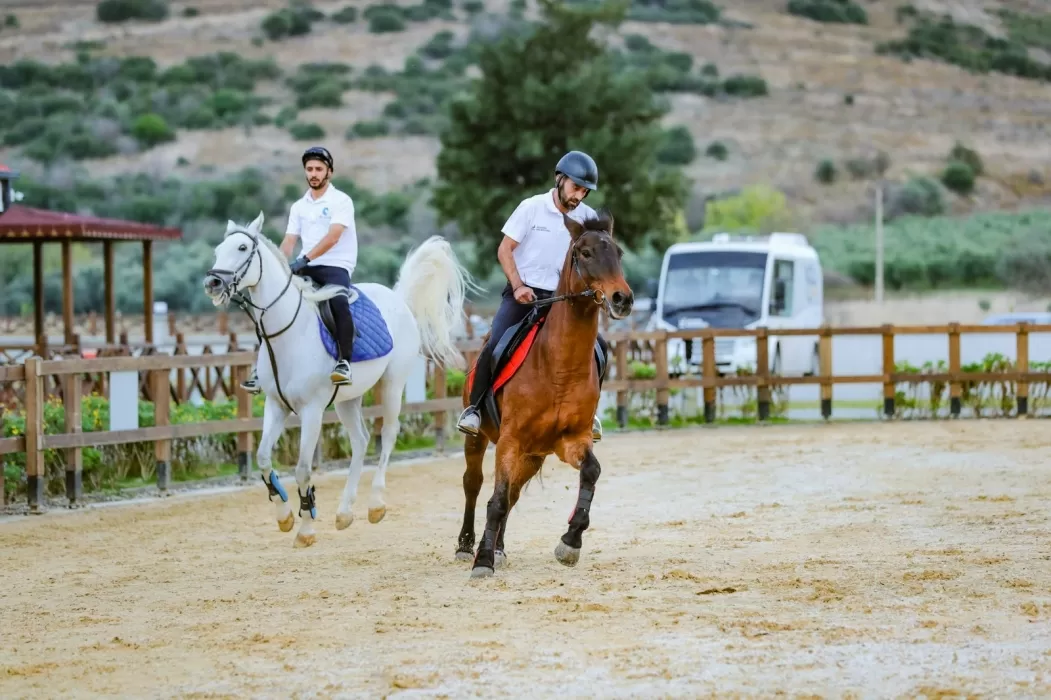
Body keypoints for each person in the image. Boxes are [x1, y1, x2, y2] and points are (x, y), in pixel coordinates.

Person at [456, 150, 608, 441]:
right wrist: (517, 286)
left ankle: (588, 412)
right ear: (560, 179)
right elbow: (504, 249)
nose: (580, 195)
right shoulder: (531, 208)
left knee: (599, 348)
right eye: (576, 187)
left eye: (585, 191)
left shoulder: (587, 218)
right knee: (496, 343)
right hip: (524, 294)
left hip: (565, 301)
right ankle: (474, 409)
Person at [241, 145, 359, 392]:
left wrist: (303, 259)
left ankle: (344, 362)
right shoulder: (298, 206)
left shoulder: (341, 200)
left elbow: (333, 237)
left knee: (338, 302)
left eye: (318, 169)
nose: (313, 173)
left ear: (329, 172)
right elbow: (289, 241)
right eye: (309, 169)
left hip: (336, 265)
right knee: (270, 304)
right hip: (307, 266)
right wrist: (279, 265)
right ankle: (261, 369)